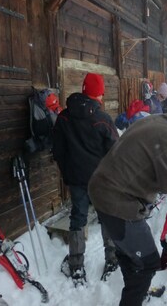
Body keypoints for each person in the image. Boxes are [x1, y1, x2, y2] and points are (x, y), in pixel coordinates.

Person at [88, 100, 167, 306]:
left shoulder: (160, 121)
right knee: (148, 263)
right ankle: (133, 298)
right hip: (117, 201)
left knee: (131, 255)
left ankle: (137, 292)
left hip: (104, 190)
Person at [52, 73, 119, 285]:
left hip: (76, 179)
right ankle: (112, 259)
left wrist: (68, 173)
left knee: (78, 217)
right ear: (99, 94)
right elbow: (115, 151)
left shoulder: (63, 117)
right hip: (100, 180)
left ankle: (76, 265)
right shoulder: (102, 119)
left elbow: (58, 150)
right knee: (107, 216)